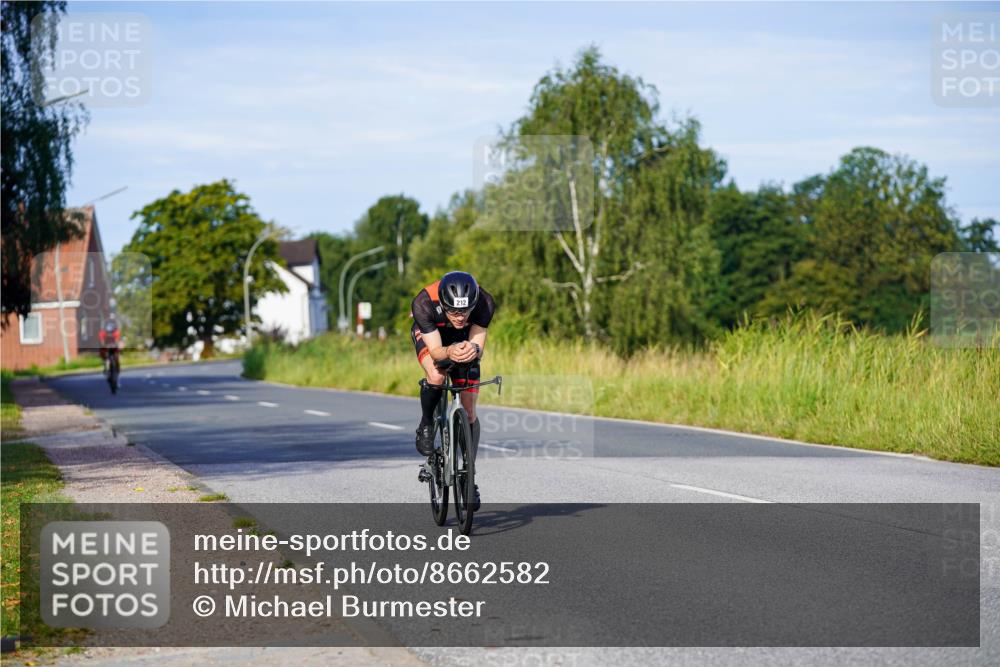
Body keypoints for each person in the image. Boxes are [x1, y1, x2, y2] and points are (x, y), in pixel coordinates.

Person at [411, 271, 495, 510]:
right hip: (433, 338)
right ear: (443, 304)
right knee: (437, 374)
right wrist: (449, 352)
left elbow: (478, 343)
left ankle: (469, 475)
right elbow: (436, 351)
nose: (460, 317)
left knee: (468, 410)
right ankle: (427, 423)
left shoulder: (485, 303)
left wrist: (473, 351)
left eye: (465, 311)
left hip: (462, 340)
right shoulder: (424, 303)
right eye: (454, 311)